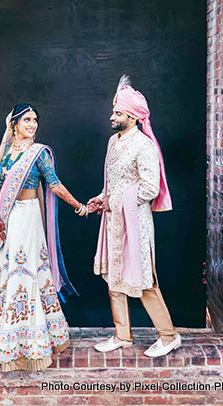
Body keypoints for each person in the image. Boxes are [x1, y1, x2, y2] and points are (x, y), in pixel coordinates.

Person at [0, 103, 89, 371]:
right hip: (7, 218)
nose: (32, 124)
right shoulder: (6, 152)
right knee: (5, 273)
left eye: (35, 119)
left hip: (28, 218)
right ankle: (6, 340)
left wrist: (80, 206)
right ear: (14, 124)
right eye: (27, 119)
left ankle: (33, 341)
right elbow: (0, 189)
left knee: (25, 272)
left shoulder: (39, 154)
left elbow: (55, 185)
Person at [88, 76, 181, 358]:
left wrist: (113, 201)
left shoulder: (144, 146)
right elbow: (112, 181)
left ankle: (169, 336)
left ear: (133, 116)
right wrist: (101, 198)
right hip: (113, 220)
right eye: (114, 111)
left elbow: (150, 188)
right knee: (113, 277)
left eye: (117, 112)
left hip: (135, 223)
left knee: (143, 280)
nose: (111, 116)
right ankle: (122, 335)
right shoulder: (112, 142)